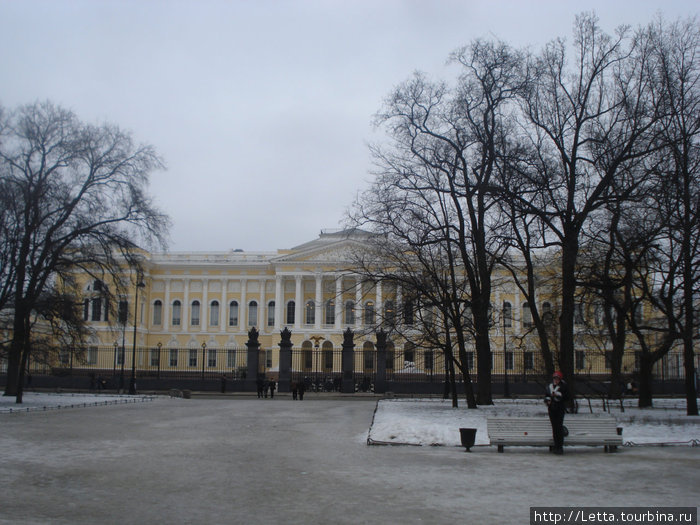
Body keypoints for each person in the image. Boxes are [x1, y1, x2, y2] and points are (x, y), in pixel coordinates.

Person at [545, 370, 570, 455]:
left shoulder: (563, 387)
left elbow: (567, 397)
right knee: (554, 428)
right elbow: (546, 396)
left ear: (560, 379)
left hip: (560, 409)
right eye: (555, 378)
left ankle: (560, 447)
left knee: (559, 428)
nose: (556, 380)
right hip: (552, 409)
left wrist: (559, 396)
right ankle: (556, 446)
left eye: (557, 379)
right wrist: (547, 401)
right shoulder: (550, 386)